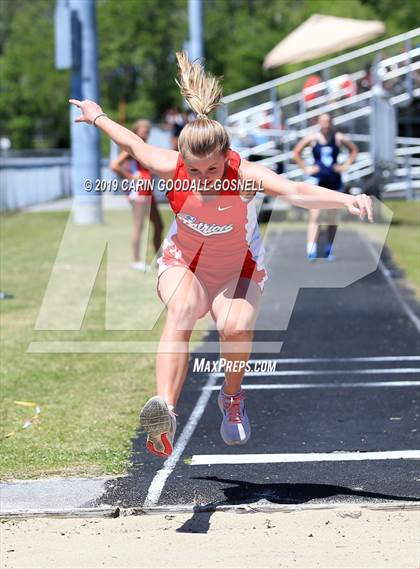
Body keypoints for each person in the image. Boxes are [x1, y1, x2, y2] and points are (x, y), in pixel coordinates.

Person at [69, 53, 373, 459]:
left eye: (211, 171)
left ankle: (232, 397)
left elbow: (297, 192)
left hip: (238, 269)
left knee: (234, 328)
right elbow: (132, 143)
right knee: (181, 313)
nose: (202, 180)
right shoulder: (171, 166)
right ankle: (166, 412)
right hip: (185, 263)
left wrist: (346, 199)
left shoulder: (246, 176)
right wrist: (97, 116)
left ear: (226, 158)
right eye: (193, 172)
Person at [292, 114, 359, 260]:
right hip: (317, 180)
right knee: (314, 215)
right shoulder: (312, 138)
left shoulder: (338, 137)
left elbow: (354, 150)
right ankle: (311, 249)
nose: (325, 124)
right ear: (318, 123)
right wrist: (306, 168)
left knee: (332, 216)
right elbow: (296, 152)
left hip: (333, 180)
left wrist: (344, 166)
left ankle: (329, 248)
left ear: (331, 122)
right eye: (323, 121)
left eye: (328, 121)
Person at [110, 119, 163, 270]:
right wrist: (132, 177)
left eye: (148, 128)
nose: (146, 131)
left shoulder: (145, 147)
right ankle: (136, 261)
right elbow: (114, 165)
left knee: (159, 225)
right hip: (138, 192)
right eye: (143, 128)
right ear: (136, 130)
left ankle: (159, 259)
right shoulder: (132, 147)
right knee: (139, 226)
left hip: (148, 191)